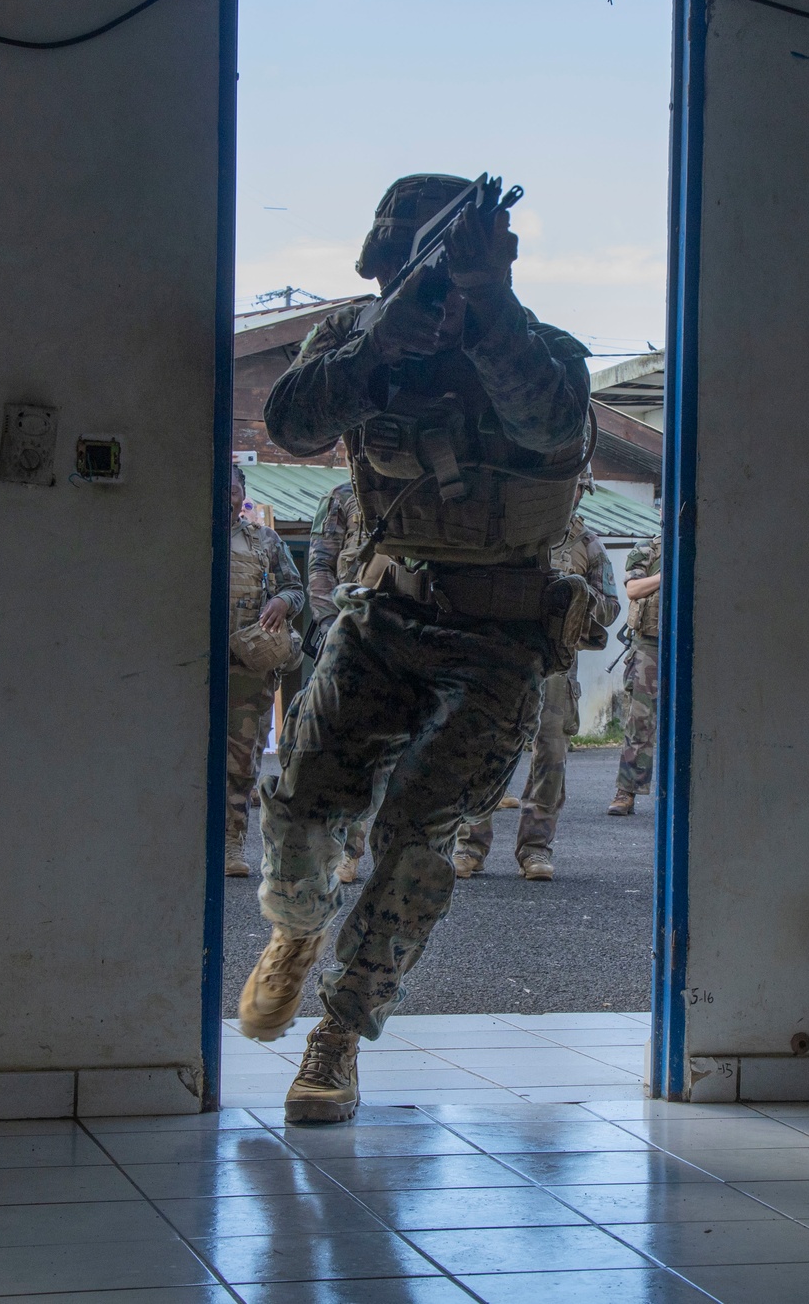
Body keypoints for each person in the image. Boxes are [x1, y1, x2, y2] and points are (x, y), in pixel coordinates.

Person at [238, 172, 596, 1123]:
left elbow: (553, 426)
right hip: (385, 614)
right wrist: (372, 346)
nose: (421, 290)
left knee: (417, 838)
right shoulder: (359, 340)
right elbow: (291, 422)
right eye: (405, 273)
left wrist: (491, 308)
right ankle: (298, 929)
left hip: (501, 634)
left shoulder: (542, 349)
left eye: (436, 273)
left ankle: (340, 1034)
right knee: (302, 799)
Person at [453, 467, 619, 880]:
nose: (572, 494)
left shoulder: (587, 543)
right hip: (501, 658)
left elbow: (611, 607)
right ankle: (469, 844)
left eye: (578, 487)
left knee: (550, 758)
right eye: (567, 486)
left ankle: (535, 849)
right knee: (482, 750)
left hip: (556, 667)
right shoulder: (513, 532)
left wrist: (576, 596)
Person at [227, 464, 305, 876]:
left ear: (243, 494)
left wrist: (282, 603)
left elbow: (296, 589)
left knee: (240, 762)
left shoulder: (265, 541)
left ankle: (231, 844)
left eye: (233, 488)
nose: (226, 496)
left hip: (246, 670)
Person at [306, 481, 367, 884]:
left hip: (408, 629)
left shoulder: (421, 482)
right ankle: (347, 850)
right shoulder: (341, 497)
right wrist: (331, 626)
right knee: (350, 744)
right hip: (351, 631)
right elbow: (320, 567)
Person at [607, 533, 661, 816]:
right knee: (640, 721)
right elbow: (634, 589)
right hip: (650, 643)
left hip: (693, 643)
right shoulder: (649, 547)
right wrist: (667, 575)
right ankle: (626, 792)